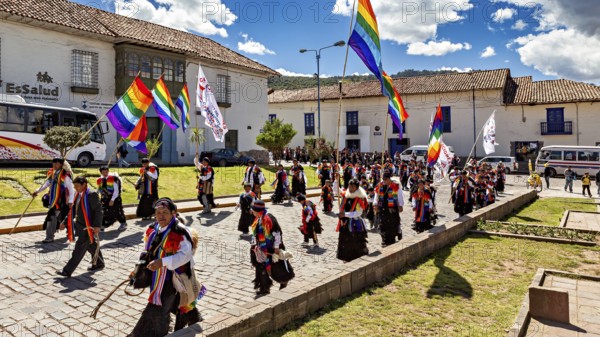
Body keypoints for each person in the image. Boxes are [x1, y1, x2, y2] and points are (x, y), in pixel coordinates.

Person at [129, 198, 201, 337]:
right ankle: (194, 318)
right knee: (176, 303)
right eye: (158, 213)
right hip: (158, 275)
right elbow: (147, 252)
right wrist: (137, 270)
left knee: (157, 308)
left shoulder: (179, 232)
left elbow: (185, 256)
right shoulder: (153, 229)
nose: (161, 216)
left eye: (165, 212)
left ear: (173, 213)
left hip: (174, 277)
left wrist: (163, 262)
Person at [56, 176, 104, 277]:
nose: (75, 188)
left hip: (88, 226)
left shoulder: (92, 195)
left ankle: (67, 270)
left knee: (79, 249)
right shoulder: (78, 194)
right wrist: (65, 222)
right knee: (91, 245)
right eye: (75, 186)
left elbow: (98, 211)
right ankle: (99, 263)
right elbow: (73, 210)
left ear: (84, 185)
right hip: (80, 225)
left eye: (77, 186)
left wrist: (97, 226)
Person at [249, 200, 290, 295]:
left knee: (277, 266)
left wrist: (276, 249)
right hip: (261, 249)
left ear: (257, 211)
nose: (252, 211)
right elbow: (255, 234)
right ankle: (264, 287)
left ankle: (283, 281)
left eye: (253, 210)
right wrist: (254, 244)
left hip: (271, 249)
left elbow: (277, 234)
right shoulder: (258, 219)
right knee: (261, 268)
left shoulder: (269, 219)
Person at [33, 157, 74, 243]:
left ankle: (51, 236)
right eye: (54, 163)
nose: (55, 165)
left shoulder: (65, 176)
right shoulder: (52, 173)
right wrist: (37, 191)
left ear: (61, 165)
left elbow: (71, 189)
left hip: (62, 201)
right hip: (53, 200)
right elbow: (46, 184)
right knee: (54, 217)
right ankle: (50, 236)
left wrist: (70, 201)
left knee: (54, 217)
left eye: (57, 163)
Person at [337, 179, 369, 262]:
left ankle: (355, 257)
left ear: (357, 187)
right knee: (345, 240)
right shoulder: (346, 196)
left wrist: (345, 214)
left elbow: (358, 213)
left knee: (354, 240)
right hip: (345, 222)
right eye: (349, 186)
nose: (350, 188)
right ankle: (346, 256)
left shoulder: (359, 199)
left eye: (352, 187)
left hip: (355, 223)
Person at [373, 170, 404, 247]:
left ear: (389, 178)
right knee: (383, 223)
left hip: (392, 207)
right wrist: (375, 204)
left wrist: (400, 205)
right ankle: (384, 240)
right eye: (384, 180)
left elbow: (399, 195)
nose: (385, 181)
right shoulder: (379, 185)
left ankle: (392, 239)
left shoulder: (396, 186)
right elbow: (376, 196)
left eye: (386, 180)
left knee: (392, 223)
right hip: (382, 207)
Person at [97, 166, 127, 231]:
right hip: (105, 199)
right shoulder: (100, 180)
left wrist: (112, 200)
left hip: (114, 198)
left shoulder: (113, 179)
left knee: (117, 211)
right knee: (104, 211)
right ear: (101, 172)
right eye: (103, 172)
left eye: (106, 171)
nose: (105, 173)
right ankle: (105, 224)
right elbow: (100, 189)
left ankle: (123, 223)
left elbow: (116, 191)